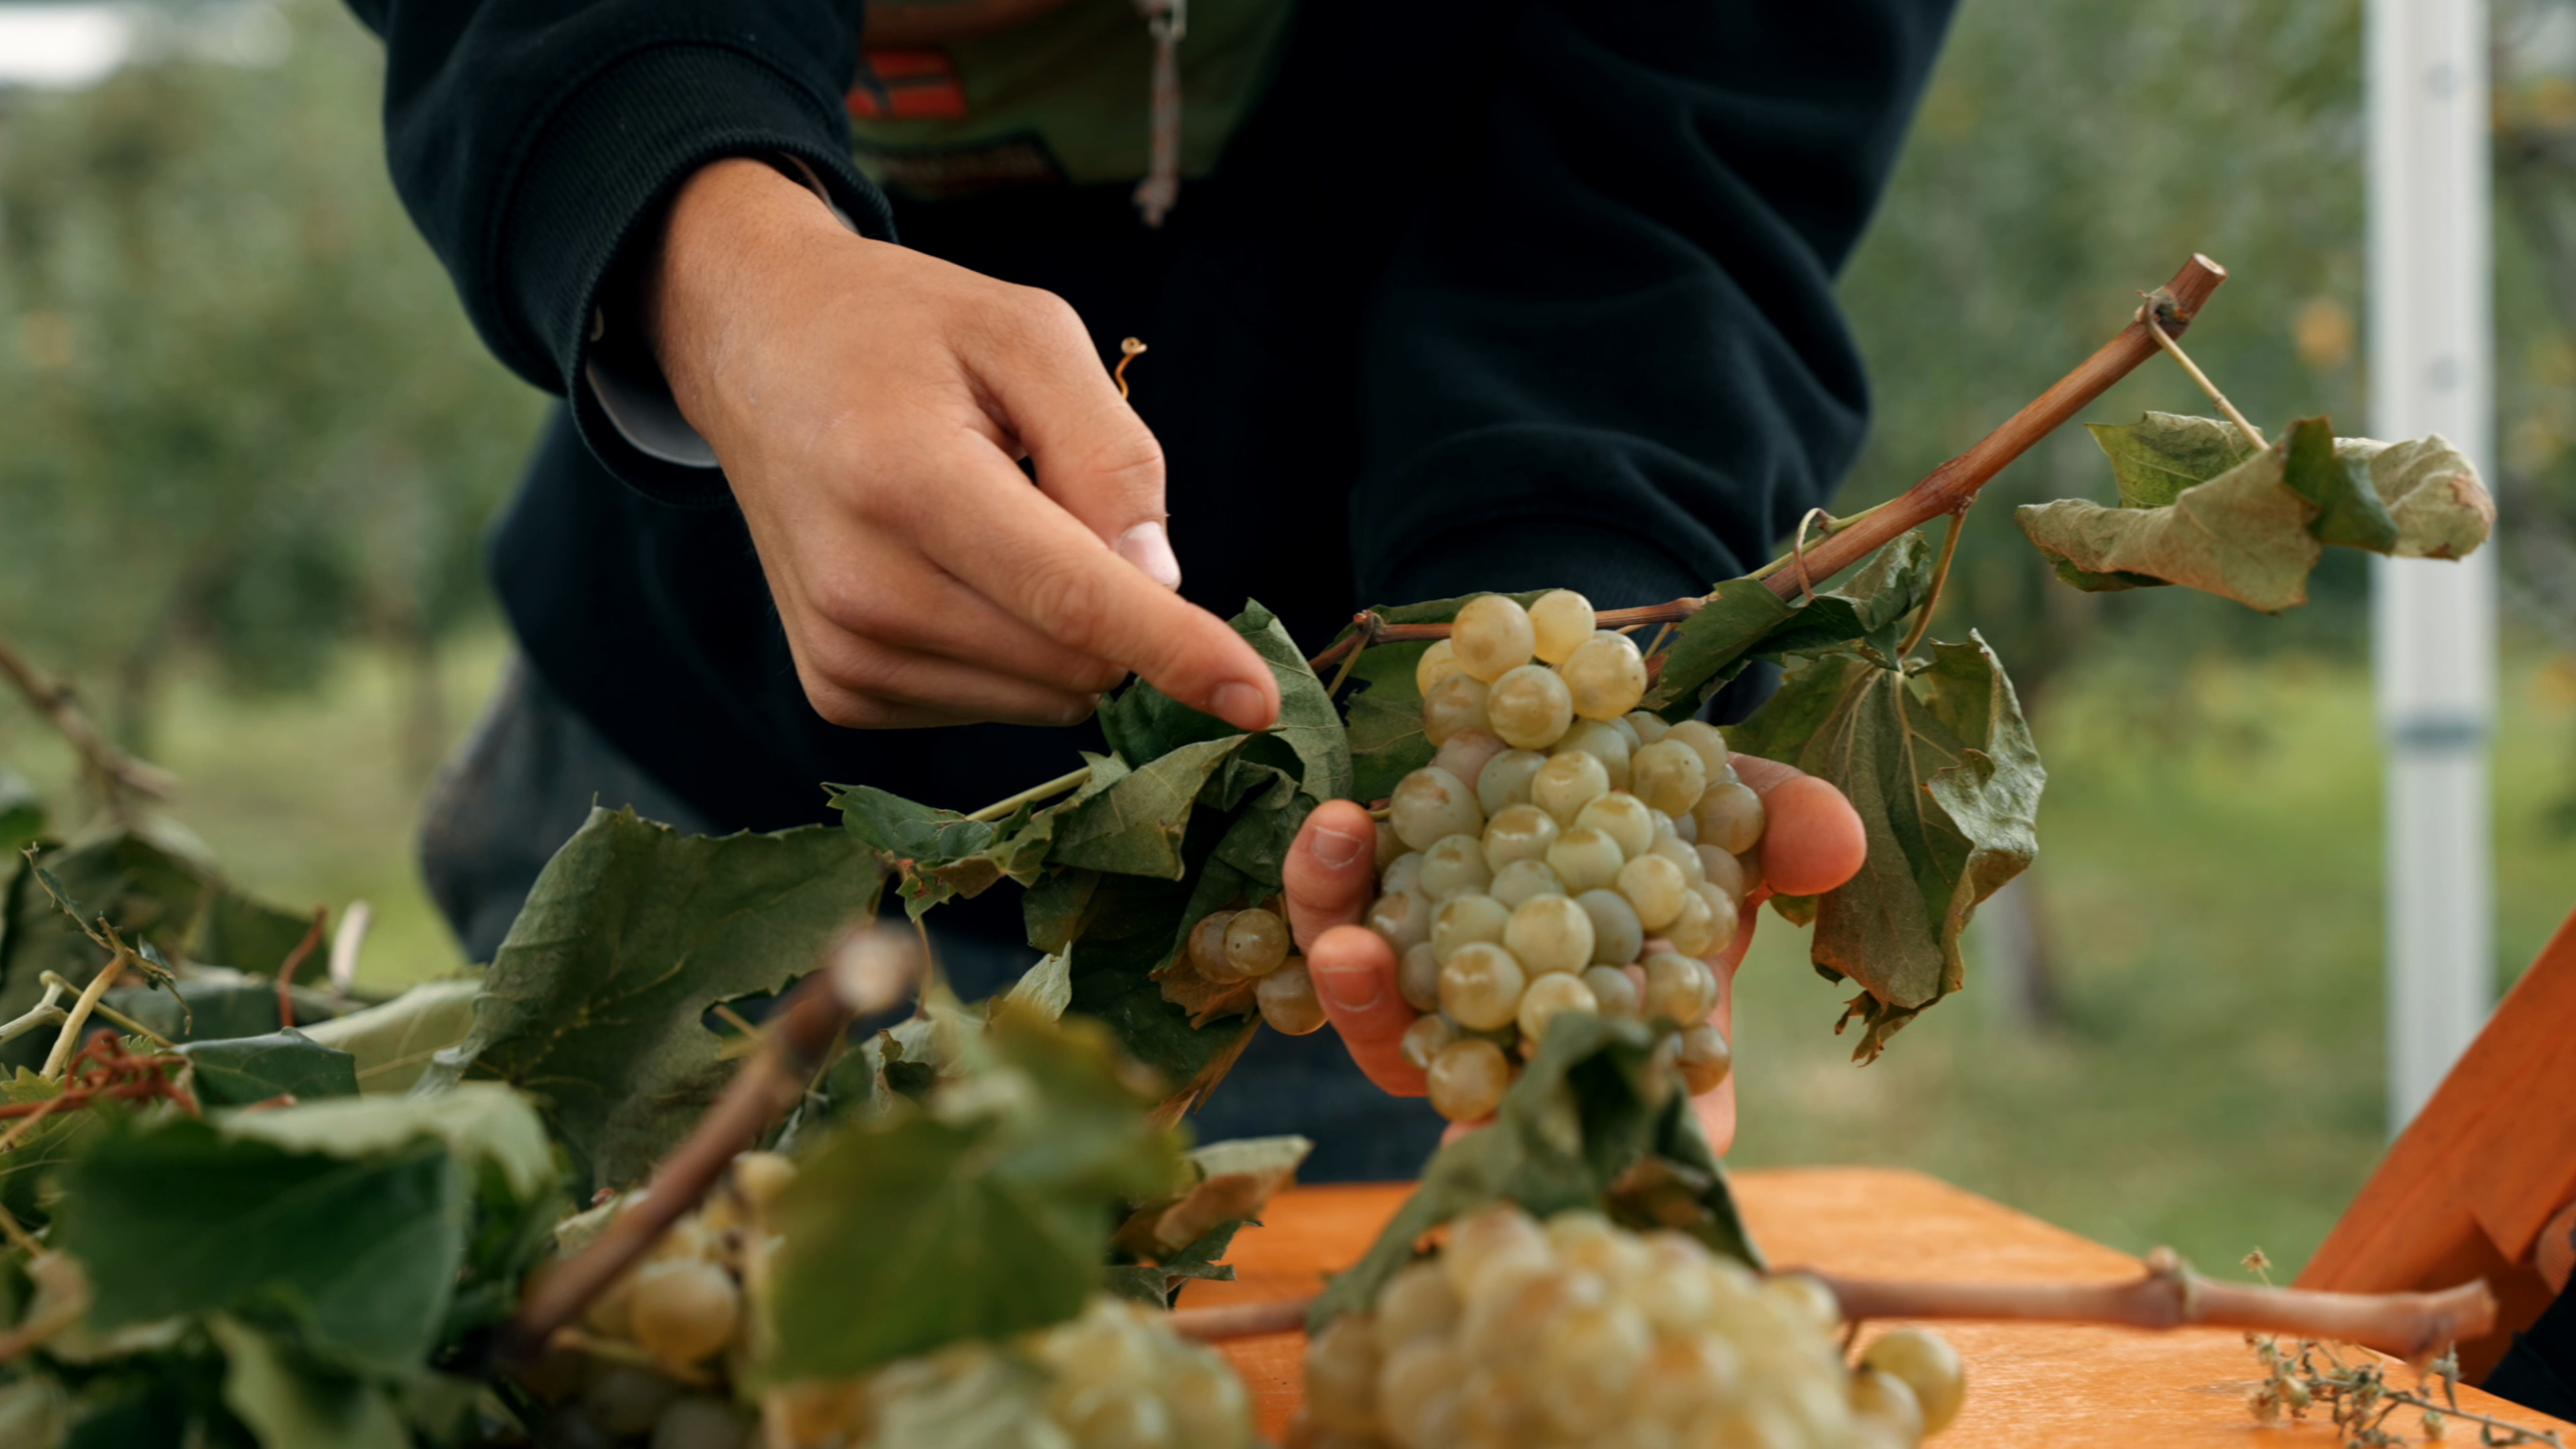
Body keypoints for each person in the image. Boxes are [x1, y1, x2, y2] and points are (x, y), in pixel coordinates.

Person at [348, 0, 1950, 1177]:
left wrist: (1568, 628)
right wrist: (722, 260)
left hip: (1307, 938)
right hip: (688, 800)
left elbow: (1680, 168)